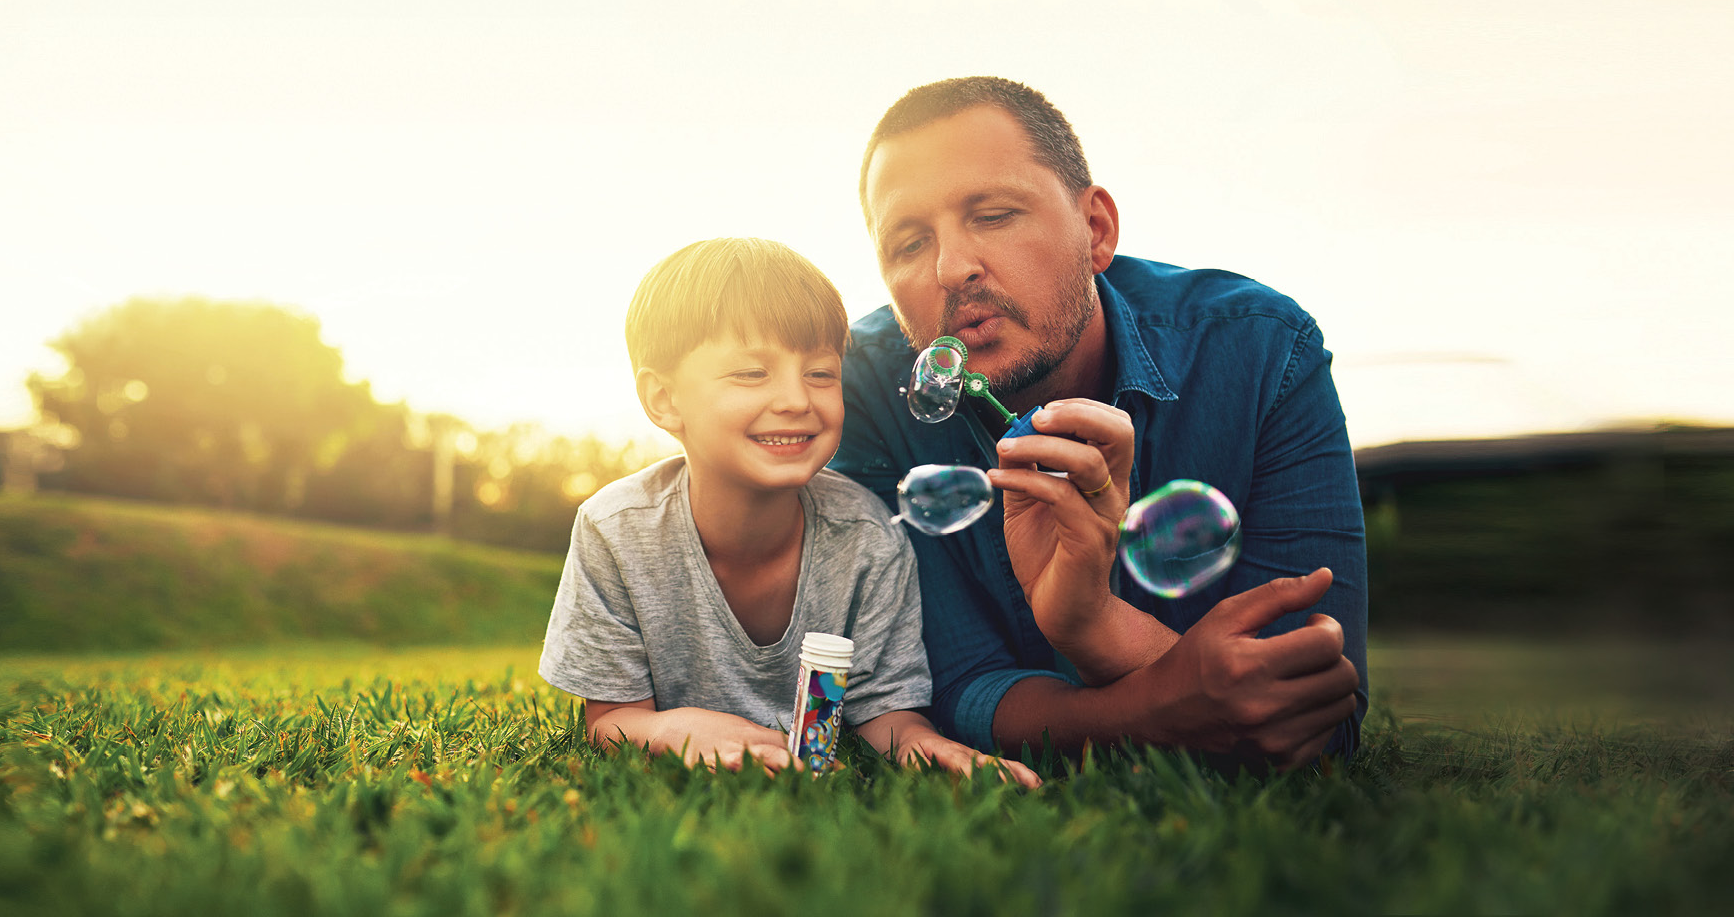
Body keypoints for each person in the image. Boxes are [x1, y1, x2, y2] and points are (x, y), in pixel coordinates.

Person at [829, 77, 1366, 771]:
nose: (951, 268)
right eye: (907, 243)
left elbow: (1318, 718)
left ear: (1096, 229)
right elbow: (947, 685)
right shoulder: (857, 387)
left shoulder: (1263, 352)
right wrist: (1154, 707)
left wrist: (1096, 625)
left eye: (992, 214)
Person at [538, 237, 1039, 786]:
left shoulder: (868, 536)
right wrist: (674, 731)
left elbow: (886, 713)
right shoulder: (616, 531)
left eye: (821, 374)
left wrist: (927, 748)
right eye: (752, 374)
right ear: (664, 399)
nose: (797, 400)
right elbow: (610, 719)